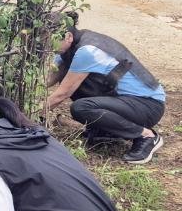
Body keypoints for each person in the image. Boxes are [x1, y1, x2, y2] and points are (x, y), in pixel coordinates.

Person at [46, 14, 165, 164]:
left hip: (148, 105)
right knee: (68, 78)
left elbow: (62, 94)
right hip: (123, 101)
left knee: (81, 107)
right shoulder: (67, 50)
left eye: (50, 41)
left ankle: (146, 135)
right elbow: (48, 80)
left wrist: (28, 115)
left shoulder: (87, 51)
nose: (47, 46)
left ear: (68, 36)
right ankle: (105, 129)